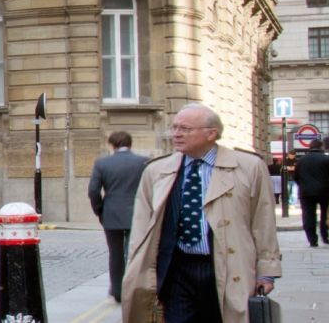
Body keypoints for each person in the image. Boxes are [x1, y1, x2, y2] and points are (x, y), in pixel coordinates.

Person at [120, 104, 282, 323]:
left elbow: (263, 222)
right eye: (175, 127)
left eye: (185, 129)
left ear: (211, 134)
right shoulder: (156, 170)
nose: (176, 134)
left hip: (226, 267)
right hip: (177, 269)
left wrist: (266, 271)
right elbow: (141, 226)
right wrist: (136, 269)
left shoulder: (249, 166)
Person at [88, 131, 147, 301]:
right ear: (130, 144)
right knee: (133, 252)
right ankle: (133, 288)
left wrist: (100, 210)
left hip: (111, 213)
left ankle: (118, 291)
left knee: (115, 254)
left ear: (112, 145)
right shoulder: (143, 161)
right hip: (137, 213)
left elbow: (93, 191)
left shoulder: (103, 163)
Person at [294, 138, 329, 247]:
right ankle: (325, 236)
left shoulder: (301, 160)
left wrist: (303, 185)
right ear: (321, 147)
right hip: (325, 191)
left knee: (308, 215)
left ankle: (312, 240)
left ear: (310, 147)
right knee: (325, 214)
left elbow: (295, 176)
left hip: (306, 192)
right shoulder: (326, 159)